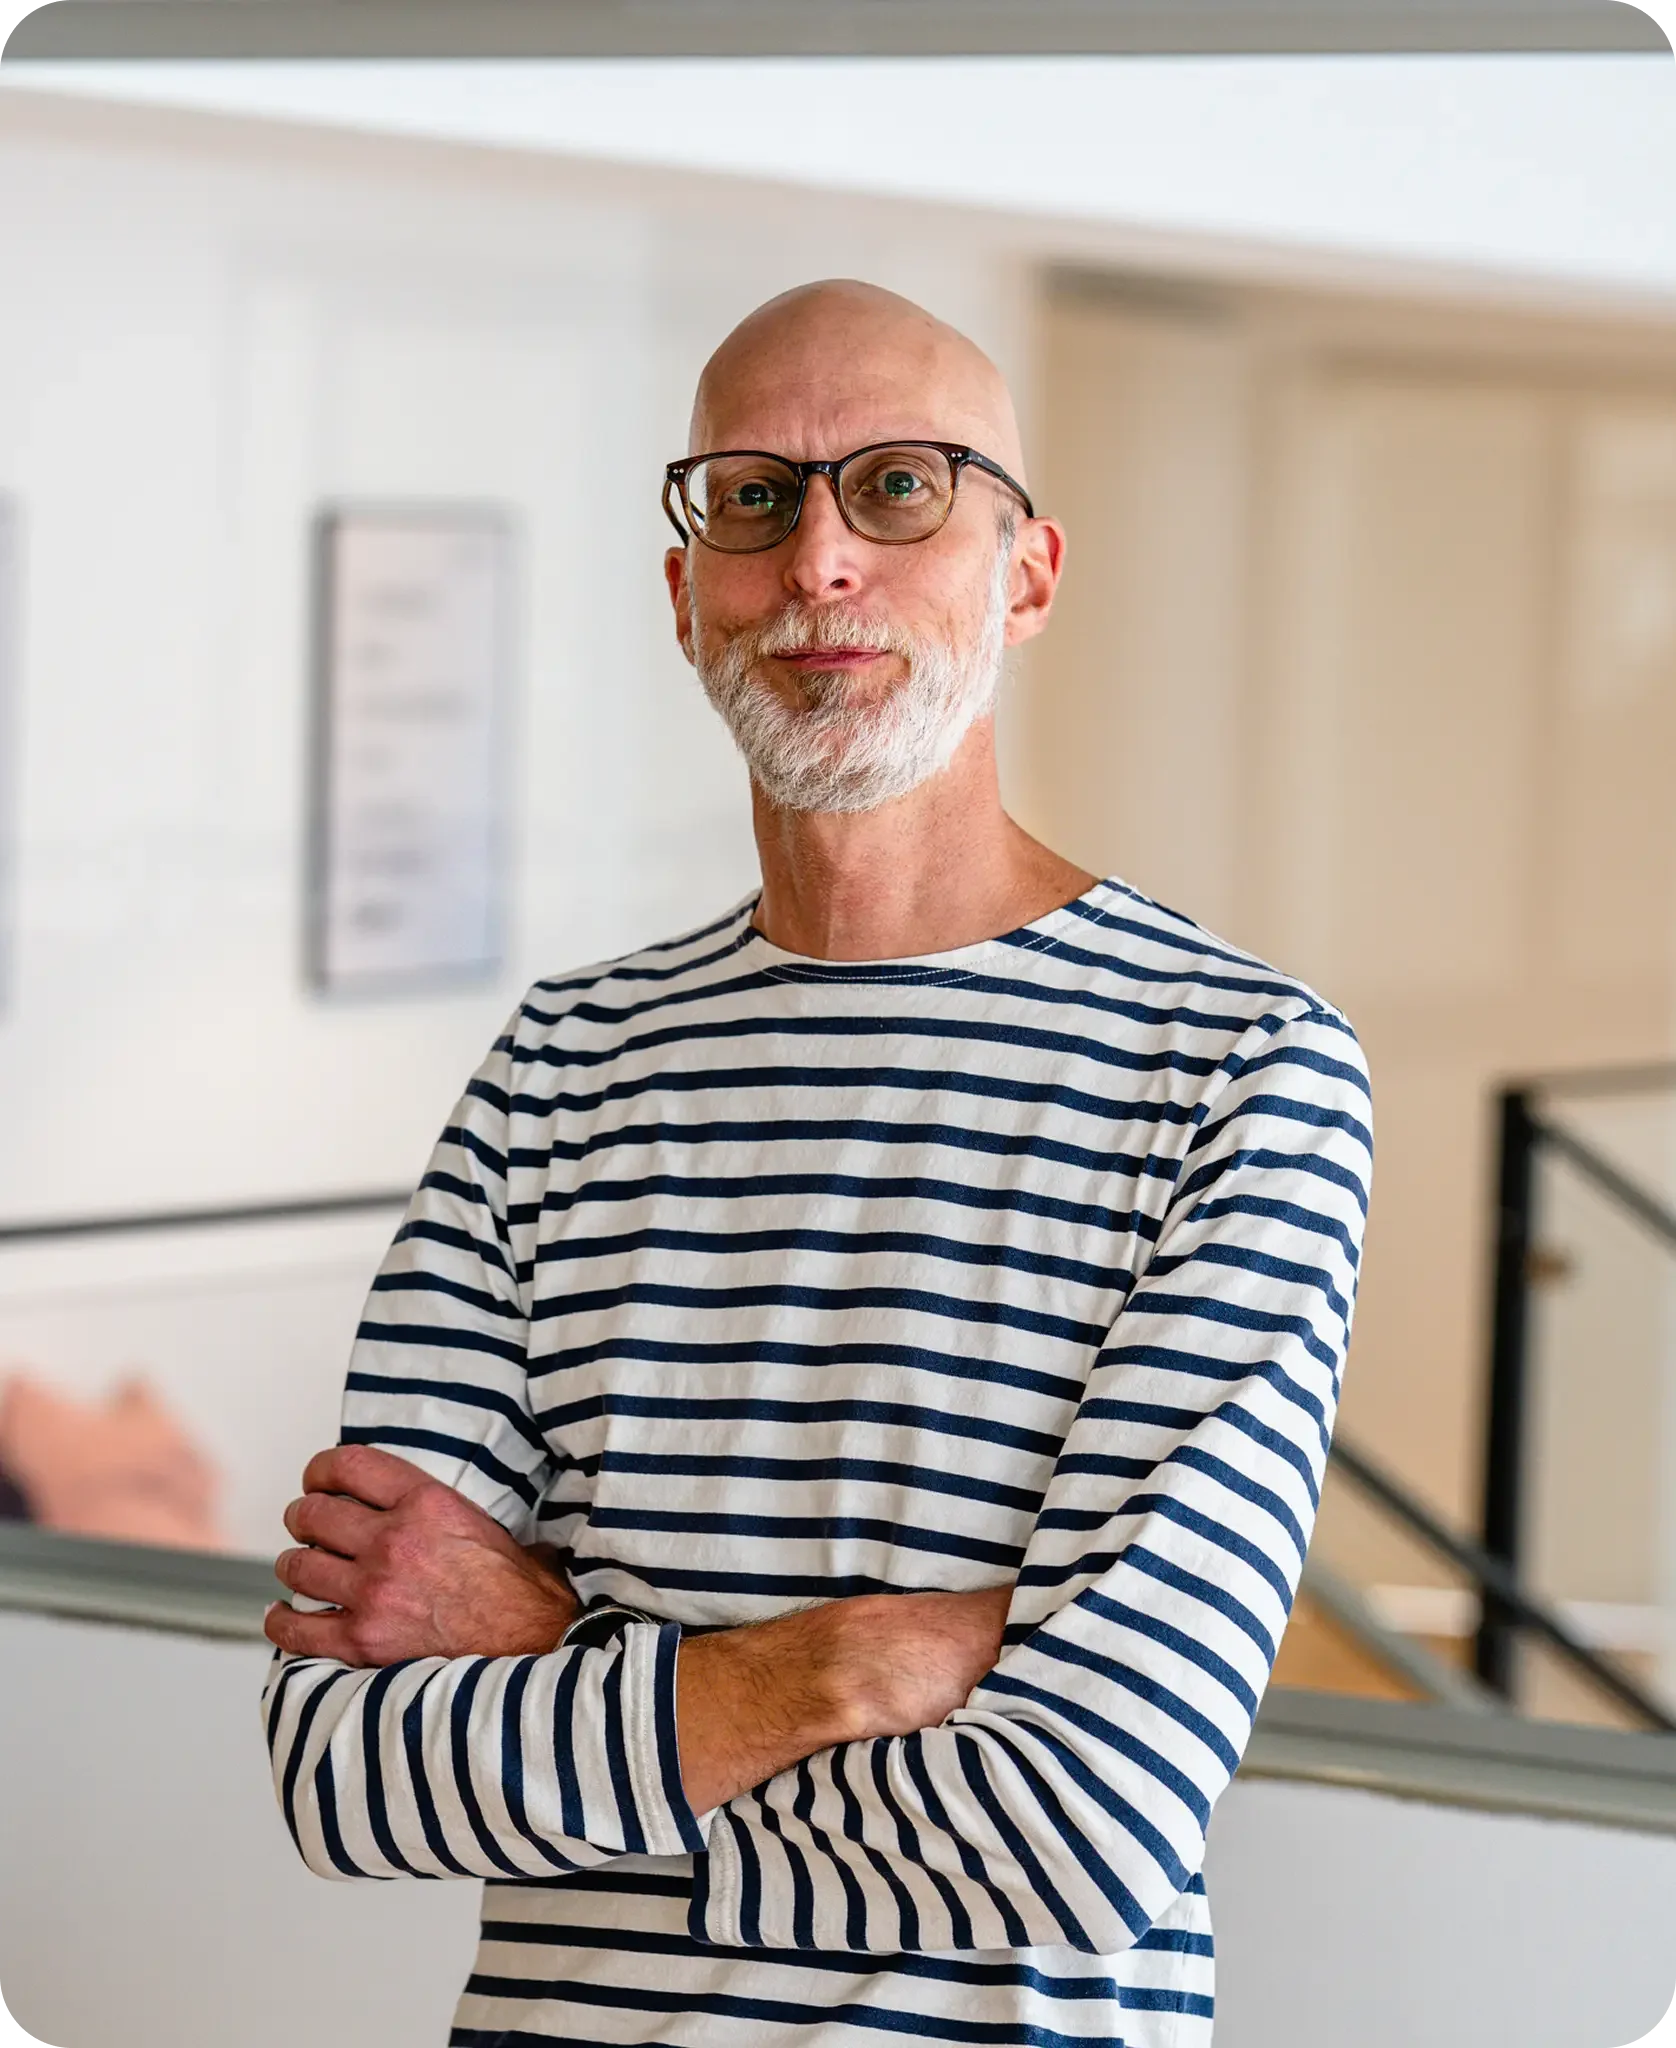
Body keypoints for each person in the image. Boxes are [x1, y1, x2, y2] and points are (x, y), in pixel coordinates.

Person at [263, 278, 1372, 2047]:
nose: (820, 562)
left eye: (903, 488)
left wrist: (562, 1670)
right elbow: (344, 1777)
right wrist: (850, 1668)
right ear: (686, 590)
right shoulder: (564, 1070)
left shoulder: (1236, 1070)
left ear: (1028, 575)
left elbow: (1089, 1826)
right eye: (757, 499)